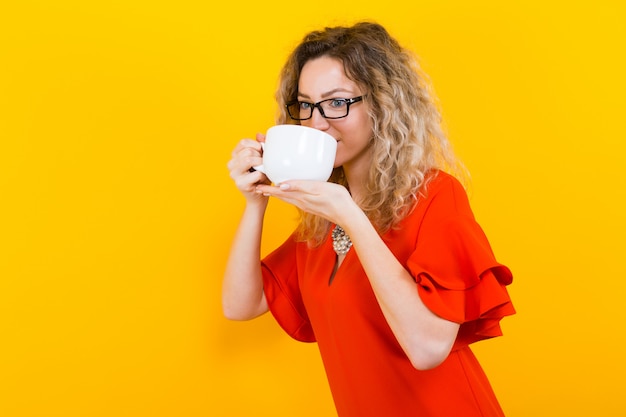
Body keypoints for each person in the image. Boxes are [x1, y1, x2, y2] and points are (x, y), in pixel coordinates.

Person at [223, 21, 515, 417]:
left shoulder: (434, 196)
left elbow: (428, 349)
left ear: (381, 103)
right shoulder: (320, 219)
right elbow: (241, 304)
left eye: (337, 102)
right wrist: (254, 202)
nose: (317, 122)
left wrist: (352, 217)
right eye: (305, 104)